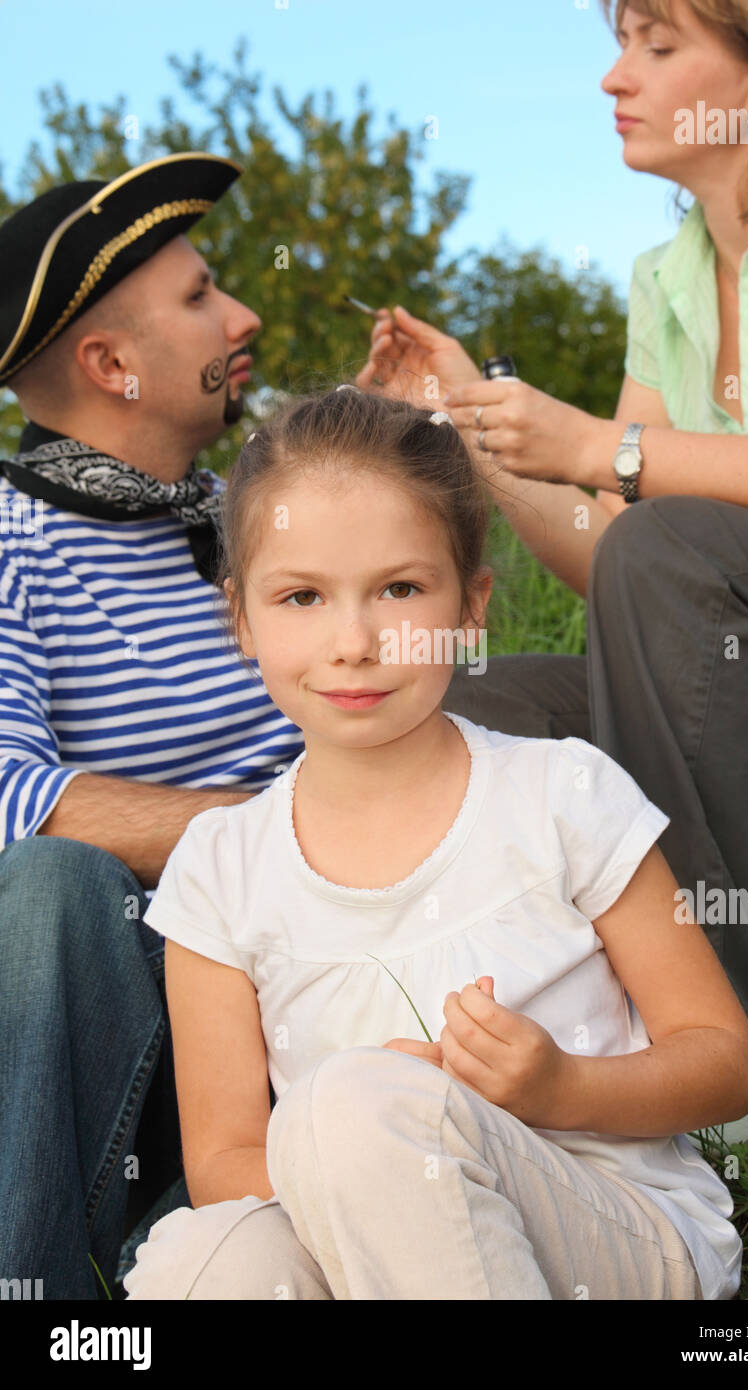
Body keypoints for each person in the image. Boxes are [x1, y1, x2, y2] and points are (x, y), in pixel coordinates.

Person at [0, 155, 586, 1298]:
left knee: (528, 695)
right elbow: (6, 790)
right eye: (202, 296)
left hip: (339, 960)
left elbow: (406, 643)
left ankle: (655, 1074)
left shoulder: (245, 516)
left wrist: (386, 440)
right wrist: (277, 839)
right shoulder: (11, 541)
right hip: (152, 990)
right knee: (47, 884)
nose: (244, 313)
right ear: (110, 365)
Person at [123, 384, 748, 1301]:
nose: (353, 641)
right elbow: (226, 1156)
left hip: (611, 1234)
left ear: (472, 606)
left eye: (399, 589)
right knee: (203, 1261)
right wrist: (373, 1162)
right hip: (370, 1238)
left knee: (356, 1110)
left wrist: (559, 1087)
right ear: (241, 620)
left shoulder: (559, 794)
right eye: (302, 596)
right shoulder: (219, 871)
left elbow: (726, 1062)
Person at [355, 0, 748, 1147]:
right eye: (619, 40)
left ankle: (724, 1066)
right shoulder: (665, 276)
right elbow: (616, 565)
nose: (609, 77)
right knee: (465, 702)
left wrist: (604, 448)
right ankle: (494, 1048)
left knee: (666, 537)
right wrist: (472, 433)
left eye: (655, 44)